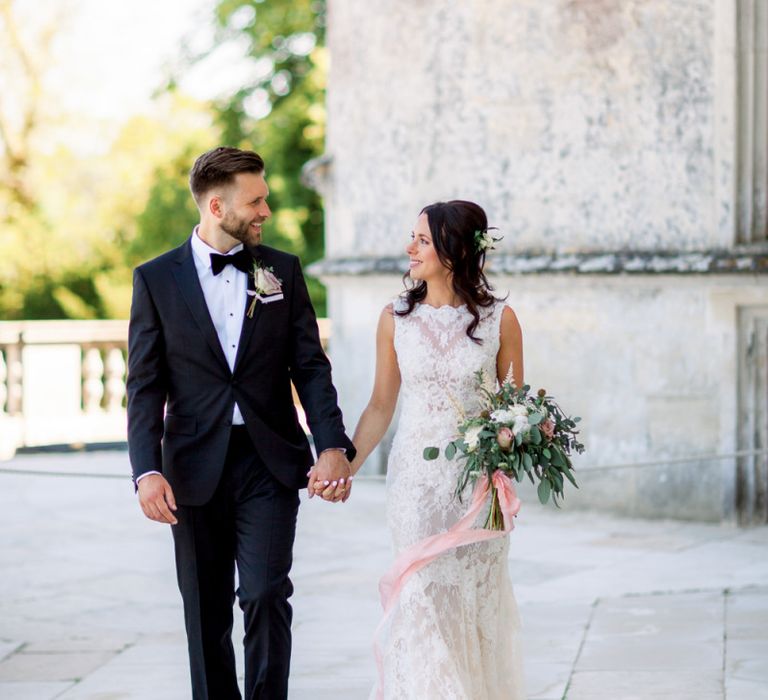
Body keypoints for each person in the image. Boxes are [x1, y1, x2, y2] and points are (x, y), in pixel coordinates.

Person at [126, 146, 355, 700]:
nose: (266, 211)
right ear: (215, 205)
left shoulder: (282, 270)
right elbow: (144, 385)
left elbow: (311, 368)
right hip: (191, 470)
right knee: (204, 609)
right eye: (255, 201)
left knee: (265, 593)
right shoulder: (155, 280)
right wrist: (145, 471)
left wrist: (331, 445)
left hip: (269, 460)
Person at [331, 200, 526, 699]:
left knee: (474, 608)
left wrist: (511, 445)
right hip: (415, 487)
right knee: (419, 599)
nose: (409, 247)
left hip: (478, 491)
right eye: (411, 237)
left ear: (456, 249)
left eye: (421, 239)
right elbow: (380, 406)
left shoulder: (501, 321)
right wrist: (344, 466)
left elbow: (515, 411)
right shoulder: (394, 319)